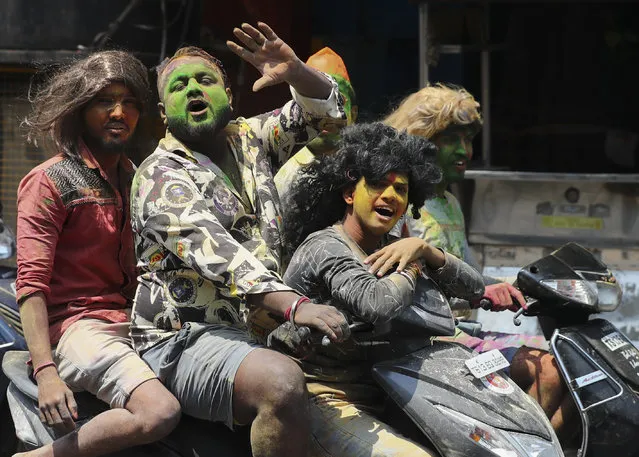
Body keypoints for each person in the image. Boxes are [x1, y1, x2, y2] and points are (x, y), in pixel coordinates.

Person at [129, 22, 348, 457]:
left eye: (205, 80)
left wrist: (296, 72)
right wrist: (296, 305)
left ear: (228, 95)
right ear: (162, 110)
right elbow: (218, 253)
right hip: (185, 336)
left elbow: (328, 114)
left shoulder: (251, 139)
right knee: (280, 384)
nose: (193, 88)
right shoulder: (158, 174)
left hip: (261, 330)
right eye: (179, 85)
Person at [281, 122, 485, 457]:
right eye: (377, 184)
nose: (390, 195)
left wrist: (427, 249)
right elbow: (375, 303)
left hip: (392, 392)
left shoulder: (396, 247)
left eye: (401, 189)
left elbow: (474, 289)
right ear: (349, 193)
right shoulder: (326, 246)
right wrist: (414, 265)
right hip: (327, 397)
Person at [384, 84, 575, 438]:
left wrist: (505, 287)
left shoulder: (450, 203)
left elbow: (470, 275)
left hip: (463, 333)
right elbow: (405, 292)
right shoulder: (400, 204)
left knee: (567, 362)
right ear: (422, 141)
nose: (466, 151)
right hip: (428, 344)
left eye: (469, 139)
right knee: (546, 370)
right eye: (452, 139)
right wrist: (476, 293)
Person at [15, 51, 181, 457]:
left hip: (136, 322)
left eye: (128, 102)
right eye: (104, 101)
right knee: (159, 411)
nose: (118, 112)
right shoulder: (49, 180)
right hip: (76, 329)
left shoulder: (139, 177)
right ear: (79, 109)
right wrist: (47, 372)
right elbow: (30, 285)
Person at [274, 46, 357, 205]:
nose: (325, 114)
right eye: (314, 108)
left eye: (338, 102)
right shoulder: (277, 168)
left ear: (354, 113)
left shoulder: (366, 171)